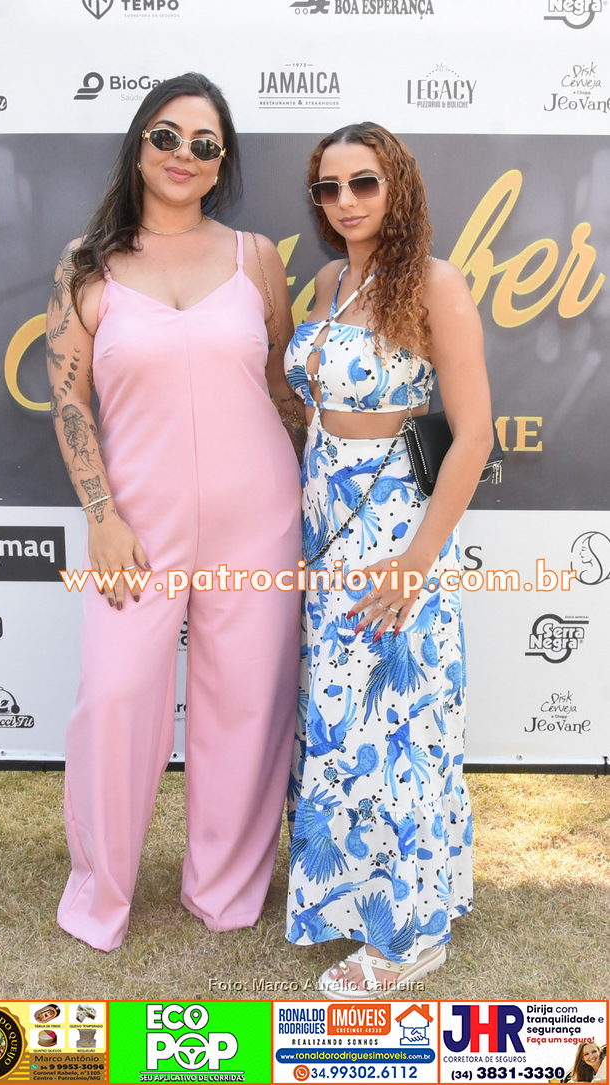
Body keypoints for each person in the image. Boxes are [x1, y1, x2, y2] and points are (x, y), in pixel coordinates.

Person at [46, 73, 302, 952]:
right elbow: (70, 401)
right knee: (114, 698)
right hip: (136, 527)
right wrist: (100, 512)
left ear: (221, 163)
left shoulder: (255, 258)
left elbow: (281, 391)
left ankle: (225, 891)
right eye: (167, 135)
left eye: (204, 143)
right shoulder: (85, 264)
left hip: (259, 518)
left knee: (247, 705)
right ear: (138, 145)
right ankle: (100, 894)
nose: (183, 154)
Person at [284, 122, 495, 997]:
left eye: (363, 183)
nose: (345, 202)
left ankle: (408, 938)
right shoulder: (329, 280)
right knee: (345, 729)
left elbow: (473, 434)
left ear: (396, 186)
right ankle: (366, 898)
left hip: (395, 534)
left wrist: (415, 560)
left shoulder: (435, 283)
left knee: (397, 729)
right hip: (326, 528)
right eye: (328, 188)